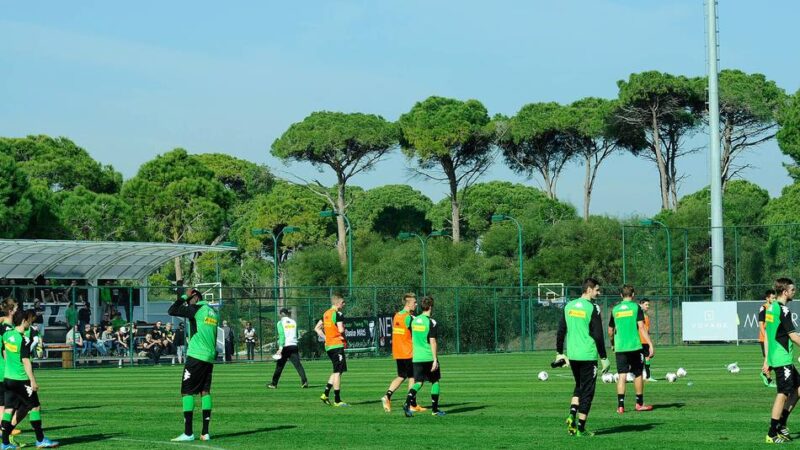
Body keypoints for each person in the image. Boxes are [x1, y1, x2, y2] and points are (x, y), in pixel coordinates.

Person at [556, 277, 609, 437]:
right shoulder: (593, 307)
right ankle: (581, 428)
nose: (599, 293)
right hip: (587, 355)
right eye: (597, 290)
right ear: (589, 290)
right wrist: (604, 357)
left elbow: (561, 330)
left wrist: (559, 352)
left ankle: (572, 415)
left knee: (579, 386)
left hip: (573, 355)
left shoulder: (569, 306)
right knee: (588, 391)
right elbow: (598, 335)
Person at [1, 309, 59, 448]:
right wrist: (32, 380)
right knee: (35, 407)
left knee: (9, 409)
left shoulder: (6, 335)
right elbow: (26, 361)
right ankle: (40, 439)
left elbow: (5, 354)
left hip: (8, 378)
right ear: (24, 320)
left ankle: (4, 443)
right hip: (21, 379)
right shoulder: (23, 339)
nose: (31, 323)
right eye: (30, 320)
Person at [169, 286, 219, 442]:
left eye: (190, 298)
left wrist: (184, 296)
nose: (188, 303)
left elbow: (172, 310)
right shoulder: (212, 311)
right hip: (209, 356)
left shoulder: (195, 309)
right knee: (205, 391)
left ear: (195, 297)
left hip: (196, 355)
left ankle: (188, 433)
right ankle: (205, 433)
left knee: (186, 392)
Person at [763, 278, 800, 444]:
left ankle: (782, 423)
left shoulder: (771, 308)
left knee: (798, 388)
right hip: (782, 358)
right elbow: (792, 336)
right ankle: (771, 433)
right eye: (792, 290)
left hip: (777, 358)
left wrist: (766, 360)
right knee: (782, 394)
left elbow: (768, 337)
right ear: (785, 292)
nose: (794, 292)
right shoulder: (783, 310)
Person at [608, 285, 654, 413]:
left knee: (622, 375)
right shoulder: (636, 308)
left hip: (620, 347)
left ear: (621, 295)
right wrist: (650, 343)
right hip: (634, 346)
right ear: (633, 295)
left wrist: (612, 343)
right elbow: (641, 327)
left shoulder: (615, 309)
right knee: (638, 374)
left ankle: (620, 406)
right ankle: (639, 404)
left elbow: (610, 331)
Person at [402, 296, 445, 417]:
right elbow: (433, 341)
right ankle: (435, 410)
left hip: (416, 357)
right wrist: (435, 360)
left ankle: (407, 403)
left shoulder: (413, 320)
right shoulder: (432, 322)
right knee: (435, 381)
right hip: (428, 357)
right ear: (431, 307)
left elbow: (407, 323)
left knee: (418, 382)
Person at [382, 293, 422, 413]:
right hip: (408, 352)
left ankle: (387, 396)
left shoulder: (396, 315)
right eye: (414, 302)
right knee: (412, 378)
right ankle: (411, 404)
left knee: (401, 376)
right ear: (408, 303)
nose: (416, 304)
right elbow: (415, 334)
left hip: (398, 352)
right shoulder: (408, 317)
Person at [314, 294, 348, 407]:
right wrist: (343, 330)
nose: (344, 304)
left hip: (329, 346)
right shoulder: (338, 314)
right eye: (343, 302)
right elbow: (340, 329)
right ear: (337, 303)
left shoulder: (326, 313)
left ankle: (325, 394)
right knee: (338, 372)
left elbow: (317, 328)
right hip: (336, 345)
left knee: (336, 370)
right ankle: (337, 400)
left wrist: (326, 338)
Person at [268, 309, 308, 389]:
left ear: (281, 314)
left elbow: (282, 335)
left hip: (286, 346)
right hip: (294, 345)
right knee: (298, 365)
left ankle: (273, 384)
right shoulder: (293, 322)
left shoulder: (280, 323)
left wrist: (280, 348)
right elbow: (295, 334)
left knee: (279, 366)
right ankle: (304, 381)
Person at [759, 289, 778, 387]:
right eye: (772, 298)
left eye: (775, 298)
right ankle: (767, 377)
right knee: (768, 359)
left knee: (771, 359)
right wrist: (766, 336)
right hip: (765, 338)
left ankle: (767, 376)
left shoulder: (773, 307)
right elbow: (761, 324)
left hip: (771, 337)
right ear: (767, 298)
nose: (774, 300)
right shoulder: (764, 308)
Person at [639, 298, 655, 381]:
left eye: (648, 305)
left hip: (645, 341)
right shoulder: (638, 315)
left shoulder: (646, 316)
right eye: (646, 304)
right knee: (639, 359)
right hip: (639, 341)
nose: (648, 306)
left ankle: (648, 376)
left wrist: (649, 343)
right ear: (641, 304)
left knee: (647, 357)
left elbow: (646, 330)